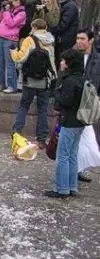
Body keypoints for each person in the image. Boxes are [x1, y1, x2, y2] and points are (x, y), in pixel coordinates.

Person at [45, 48, 85, 199]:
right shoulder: (82, 78)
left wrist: (57, 92)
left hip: (69, 121)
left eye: (63, 60)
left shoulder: (69, 81)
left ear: (68, 64)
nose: (61, 63)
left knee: (62, 156)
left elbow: (65, 102)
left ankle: (61, 189)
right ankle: (72, 186)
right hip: (80, 121)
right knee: (73, 155)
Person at [11, 19, 56, 148]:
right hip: (44, 80)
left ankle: (17, 132)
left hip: (29, 80)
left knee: (24, 106)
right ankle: (41, 138)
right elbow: (51, 61)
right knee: (43, 109)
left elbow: (21, 57)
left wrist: (13, 52)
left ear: (34, 27)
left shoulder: (29, 40)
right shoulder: (50, 41)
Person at [75, 28, 100, 183]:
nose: (79, 41)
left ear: (90, 40)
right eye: (77, 38)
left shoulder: (97, 60)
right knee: (78, 137)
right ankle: (76, 168)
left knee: (86, 136)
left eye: (82, 39)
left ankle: (79, 167)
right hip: (73, 101)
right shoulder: (72, 56)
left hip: (89, 102)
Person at [0, 0, 27, 93]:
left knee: (10, 64)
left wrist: (7, 11)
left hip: (10, 39)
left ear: (19, 1)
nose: (11, 2)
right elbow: (1, 19)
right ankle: (0, 83)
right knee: (0, 63)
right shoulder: (10, 10)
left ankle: (12, 86)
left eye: (13, 0)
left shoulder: (22, 13)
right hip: (1, 36)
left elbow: (11, 23)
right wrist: (3, 10)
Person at [51, 0, 80, 67]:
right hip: (63, 39)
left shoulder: (70, 6)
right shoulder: (65, 5)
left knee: (62, 64)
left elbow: (64, 25)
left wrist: (51, 30)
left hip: (65, 41)